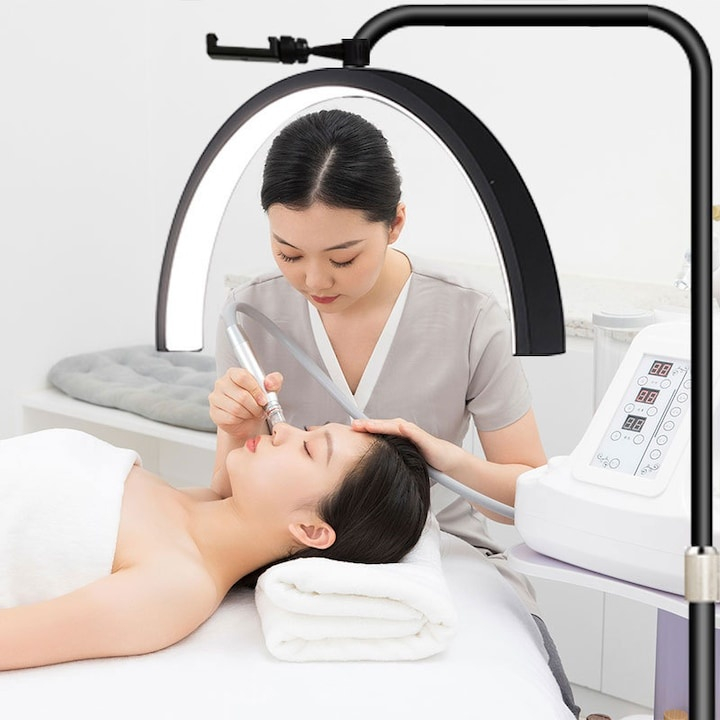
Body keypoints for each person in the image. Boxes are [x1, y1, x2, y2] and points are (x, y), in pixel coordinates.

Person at [209, 108, 580, 717]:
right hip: (289, 557)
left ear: (396, 223)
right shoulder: (250, 313)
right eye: (288, 253)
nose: (314, 279)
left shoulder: (467, 316)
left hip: (446, 552)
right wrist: (235, 431)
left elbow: (526, 501)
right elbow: (228, 499)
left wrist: (446, 460)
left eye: (343, 257)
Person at [0, 423, 430, 671]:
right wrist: (234, 430)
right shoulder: (187, 503)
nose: (281, 428)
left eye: (308, 448)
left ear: (311, 530)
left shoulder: (176, 586)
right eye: (307, 428)